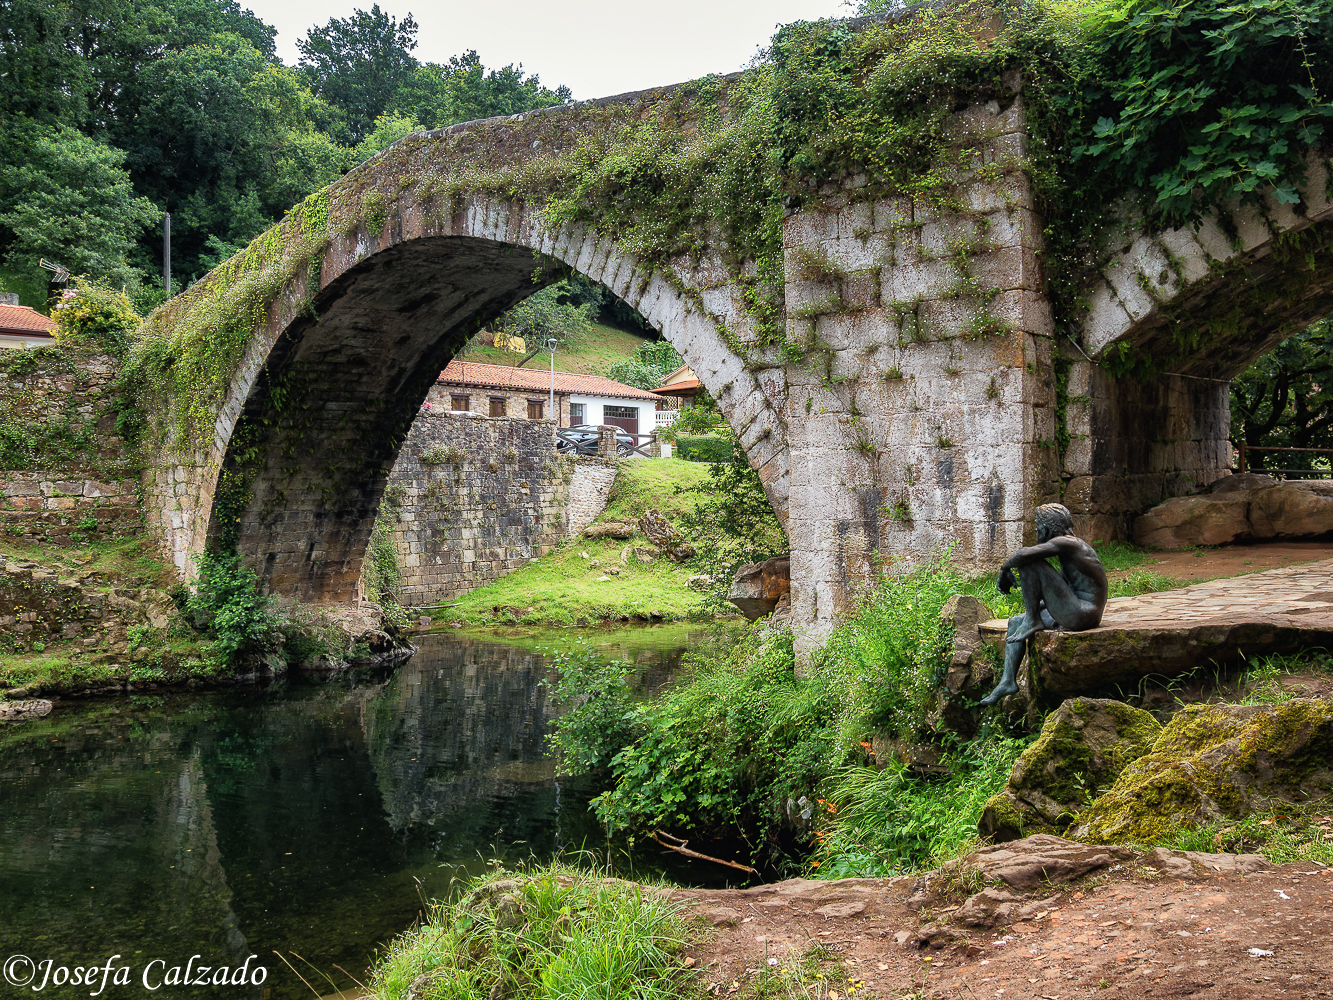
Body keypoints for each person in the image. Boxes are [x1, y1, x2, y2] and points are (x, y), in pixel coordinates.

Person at [979, 503, 1109, 706]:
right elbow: (1062, 590)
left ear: (1046, 529)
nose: (1035, 530)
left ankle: (1033, 620)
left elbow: (1023, 555)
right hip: (1079, 611)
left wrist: (1004, 569)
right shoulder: (1067, 551)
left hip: (1082, 613)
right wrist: (1040, 605)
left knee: (1030, 561)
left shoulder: (1069, 543)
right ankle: (1007, 681)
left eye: (1037, 525)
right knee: (1015, 623)